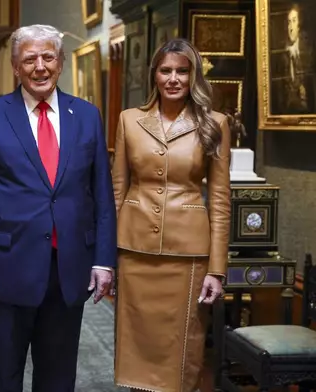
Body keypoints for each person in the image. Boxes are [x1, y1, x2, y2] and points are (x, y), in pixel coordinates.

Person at [0, 24, 117, 391]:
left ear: (60, 62)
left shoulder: (87, 116)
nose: (40, 66)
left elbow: (102, 195)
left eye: (48, 57)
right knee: (4, 374)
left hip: (69, 269)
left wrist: (103, 259)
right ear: (15, 67)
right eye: (30, 59)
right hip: (5, 270)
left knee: (59, 376)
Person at [112, 38, 230, 392]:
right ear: (155, 75)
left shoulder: (214, 123)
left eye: (182, 71)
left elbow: (221, 199)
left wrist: (217, 269)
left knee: (183, 353)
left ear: (193, 76)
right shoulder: (129, 121)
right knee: (137, 350)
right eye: (166, 70)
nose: (173, 78)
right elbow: (118, 190)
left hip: (188, 255)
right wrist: (107, 257)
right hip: (134, 251)